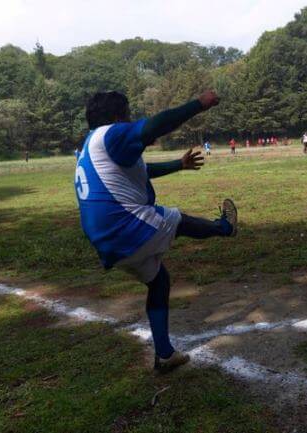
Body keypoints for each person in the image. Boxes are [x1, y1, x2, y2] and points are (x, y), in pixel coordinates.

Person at [74, 90, 238, 373]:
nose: (130, 120)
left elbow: (141, 170)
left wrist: (179, 165)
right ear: (117, 116)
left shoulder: (93, 145)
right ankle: (224, 228)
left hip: (106, 240)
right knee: (174, 218)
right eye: (127, 114)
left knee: (159, 282)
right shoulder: (110, 135)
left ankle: (164, 355)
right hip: (125, 226)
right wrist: (198, 104)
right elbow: (154, 125)